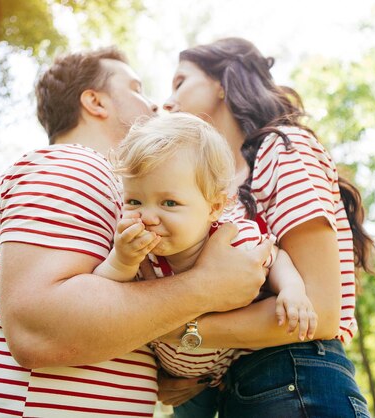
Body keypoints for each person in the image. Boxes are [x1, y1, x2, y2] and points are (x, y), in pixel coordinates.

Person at [0, 47, 273, 418]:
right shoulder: (72, 164)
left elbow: (112, 315)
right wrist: (205, 287)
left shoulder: (118, 194)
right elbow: (39, 331)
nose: (154, 105)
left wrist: (168, 368)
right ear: (95, 101)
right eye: (136, 88)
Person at [159, 37, 375, 417]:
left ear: (221, 83)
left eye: (180, 82)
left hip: (296, 376)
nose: (167, 101)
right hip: (241, 388)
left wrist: (175, 330)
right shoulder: (220, 185)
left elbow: (321, 312)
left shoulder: (282, 149)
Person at [94, 113, 317, 397]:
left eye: (170, 203)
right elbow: (104, 295)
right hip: (177, 384)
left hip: (225, 373)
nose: (148, 216)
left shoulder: (233, 242)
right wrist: (121, 260)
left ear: (214, 207)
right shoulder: (139, 254)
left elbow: (275, 257)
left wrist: (292, 289)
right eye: (135, 201)